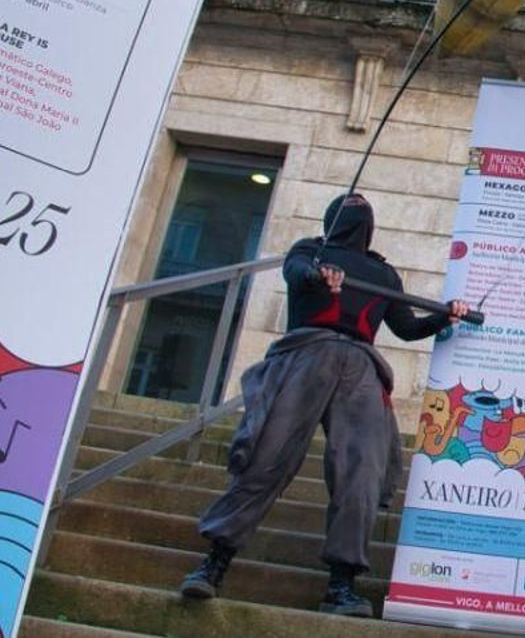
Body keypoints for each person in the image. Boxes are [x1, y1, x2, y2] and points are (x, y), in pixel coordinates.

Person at [179, 193, 468, 617]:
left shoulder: (384, 274)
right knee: (266, 457)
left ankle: (342, 585)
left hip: (361, 369)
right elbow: (297, 274)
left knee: (361, 471)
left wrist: (445, 316)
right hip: (304, 356)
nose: (357, 210)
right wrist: (320, 274)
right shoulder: (309, 251)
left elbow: (405, 328)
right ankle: (213, 564)